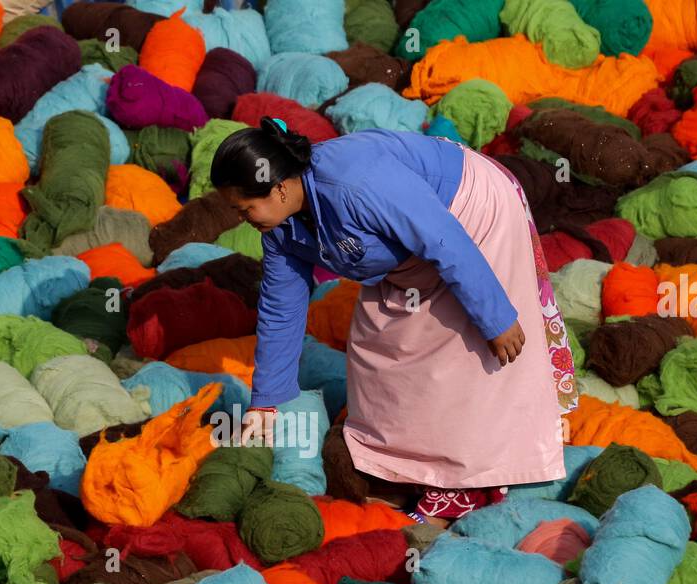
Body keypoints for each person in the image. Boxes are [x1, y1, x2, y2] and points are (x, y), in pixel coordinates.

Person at [210, 118, 577, 525]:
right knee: (379, 348)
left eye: (246, 209)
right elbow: (281, 310)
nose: (246, 219)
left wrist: (496, 318)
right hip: (412, 251)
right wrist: (265, 402)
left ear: (278, 187)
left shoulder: (355, 182)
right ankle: (401, 469)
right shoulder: (279, 229)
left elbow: (441, 237)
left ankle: (467, 485)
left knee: (457, 355)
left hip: (470, 215)